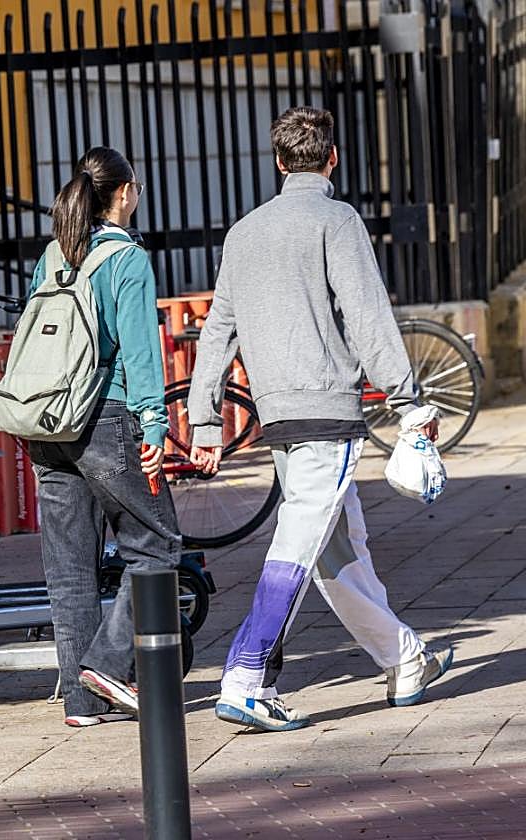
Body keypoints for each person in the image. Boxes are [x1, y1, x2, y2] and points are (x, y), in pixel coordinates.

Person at [186, 106, 453, 733]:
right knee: (303, 541)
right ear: (331, 158)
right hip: (326, 410)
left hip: (278, 413)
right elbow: (367, 313)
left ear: (279, 162)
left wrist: (203, 424)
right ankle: (247, 676)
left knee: (341, 550)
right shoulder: (338, 219)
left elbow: (216, 332)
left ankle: (404, 659)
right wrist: (408, 400)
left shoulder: (244, 232)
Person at [28, 147, 181, 728]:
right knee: (158, 545)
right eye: (135, 186)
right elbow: (141, 353)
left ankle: (82, 702)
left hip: (48, 424)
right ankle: (109, 666)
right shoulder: (128, 260)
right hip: (107, 418)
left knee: (69, 567)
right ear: (123, 193)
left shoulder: (54, 255)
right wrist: (156, 426)